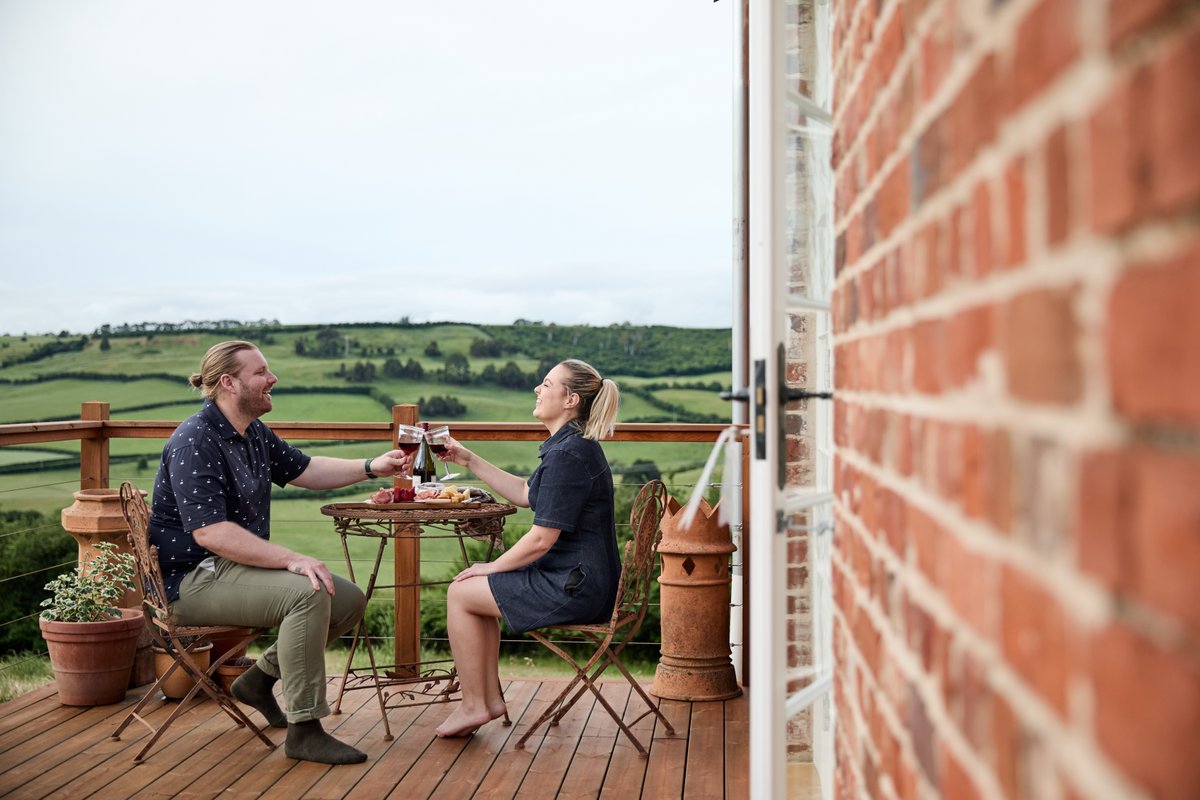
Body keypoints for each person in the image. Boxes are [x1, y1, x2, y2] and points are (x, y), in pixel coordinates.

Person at [148, 340, 412, 765]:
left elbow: (304, 468)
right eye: (261, 372)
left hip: (228, 569)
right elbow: (210, 534)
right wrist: (292, 558)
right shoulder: (195, 440)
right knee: (307, 591)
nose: (273, 379)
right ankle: (305, 730)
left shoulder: (251, 432)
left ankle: (257, 680)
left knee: (347, 599)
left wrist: (369, 467)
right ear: (229, 383)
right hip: (189, 581)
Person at [432, 358, 621, 738]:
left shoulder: (569, 455)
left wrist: (491, 567)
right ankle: (486, 701)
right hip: (578, 578)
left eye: (547, 384)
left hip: (576, 587)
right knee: (470, 592)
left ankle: (476, 705)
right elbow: (525, 492)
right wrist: (467, 458)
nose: (538, 388)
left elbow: (540, 540)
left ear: (570, 400)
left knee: (461, 592)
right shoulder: (569, 446)